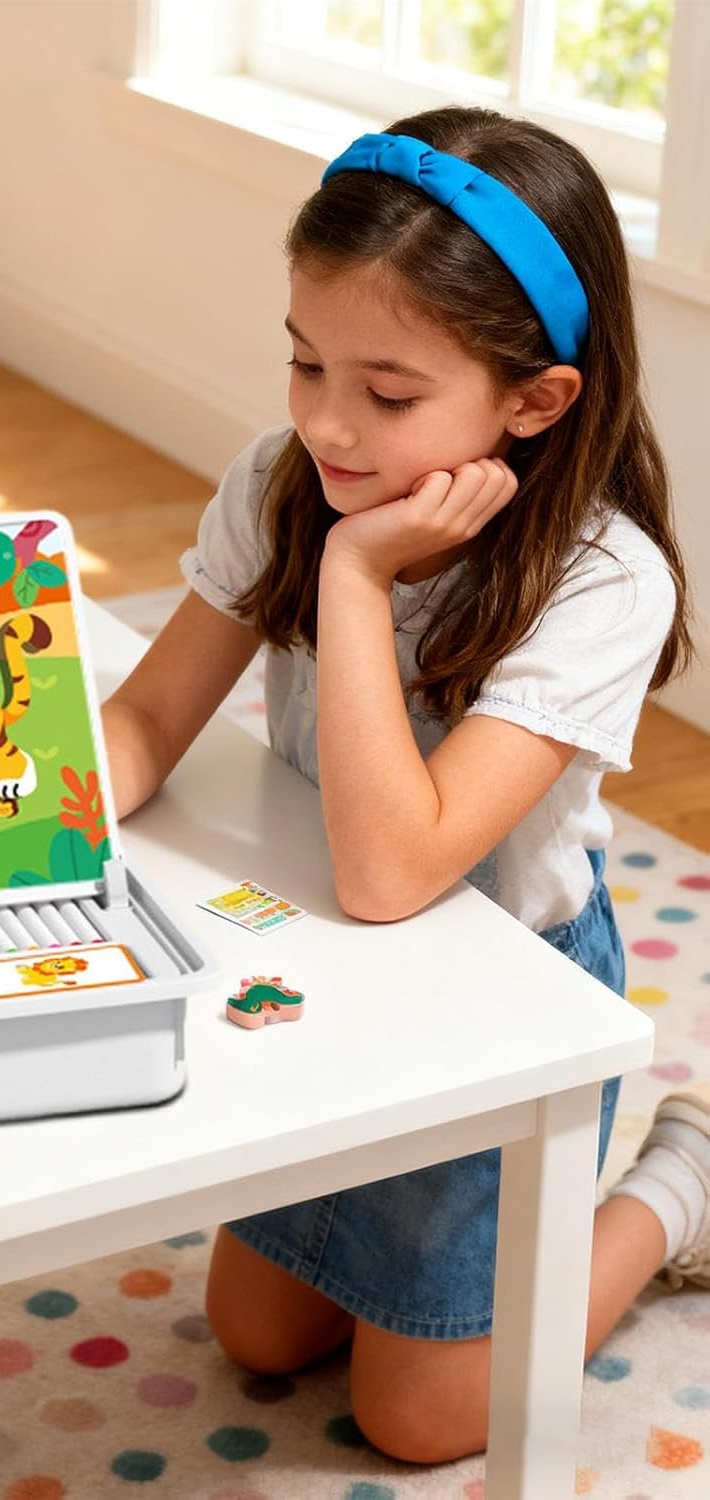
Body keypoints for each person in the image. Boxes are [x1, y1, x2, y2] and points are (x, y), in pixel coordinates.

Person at [100, 105, 708, 1464]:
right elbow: (145, 716)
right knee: (257, 1337)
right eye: (304, 361)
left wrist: (359, 574)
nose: (327, 423)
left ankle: (678, 1187)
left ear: (535, 402)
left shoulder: (603, 582)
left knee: (416, 1418)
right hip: (337, 972)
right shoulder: (285, 478)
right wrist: (16, 813)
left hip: (503, 996)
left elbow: (393, 872)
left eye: (387, 395)